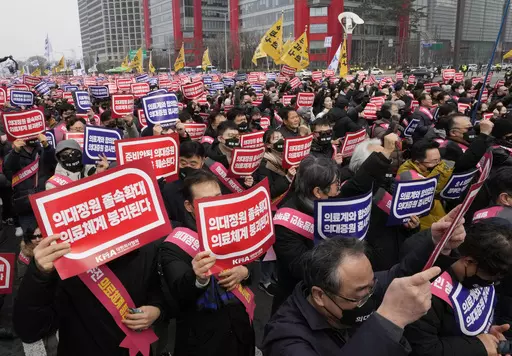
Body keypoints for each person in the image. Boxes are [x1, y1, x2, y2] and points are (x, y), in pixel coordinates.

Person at [263, 206, 466, 356]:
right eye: (360, 296)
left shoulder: (357, 288)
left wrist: (438, 244)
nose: (370, 297)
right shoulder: (287, 339)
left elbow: (399, 275)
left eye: (372, 287)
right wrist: (389, 321)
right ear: (319, 295)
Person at [13, 230, 167, 356]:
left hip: (135, 349)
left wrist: (156, 310)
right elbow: (30, 330)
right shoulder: (60, 257)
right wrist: (39, 274)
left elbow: (156, 292)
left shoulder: (144, 245)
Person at [158, 170, 255, 356]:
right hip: (202, 340)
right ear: (188, 206)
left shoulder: (234, 227)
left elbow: (252, 260)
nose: (216, 204)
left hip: (242, 328)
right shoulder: (174, 244)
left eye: (218, 197)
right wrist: (198, 278)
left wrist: (245, 271)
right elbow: (179, 291)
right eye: (205, 201)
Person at [404, 220, 512, 356]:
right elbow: (423, 349)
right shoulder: (427, 291)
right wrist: (478, 346)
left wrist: (487, 334)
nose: (490, 283)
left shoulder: (486, 270)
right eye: (489, 278)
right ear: (469, 261)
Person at [3, 134, 55, 232]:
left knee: (50, 234)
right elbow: (8, 168)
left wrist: (47, 146)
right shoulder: (13, 154)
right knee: (31, 238)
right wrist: (16, 151)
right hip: (25, 204)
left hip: (45, 201)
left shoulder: (44, 150)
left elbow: (55, 162)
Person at [162, 140, 206, 223]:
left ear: (202, 162)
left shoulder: (211, 184)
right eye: (183, 163)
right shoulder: (167, 188)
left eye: (193, 164)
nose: (188, 167)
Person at [205, 120, 254, 191]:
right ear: (220, 139)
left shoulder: (242, 155)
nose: (234, 139)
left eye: (237, 136)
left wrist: (248, 184)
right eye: (230, 136)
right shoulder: (209, 159)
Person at [255, 129, 295, 201]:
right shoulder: (264, 164)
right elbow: (269, 192)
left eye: (282, 137)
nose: (281, 140)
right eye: (277, 138)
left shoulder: (290, 157)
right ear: (269, 145)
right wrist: (287, 177)